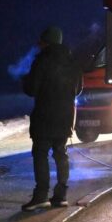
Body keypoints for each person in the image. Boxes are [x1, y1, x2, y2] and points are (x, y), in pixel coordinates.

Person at [21, 25, 83, 211]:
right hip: (66, 116)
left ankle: (41, 196)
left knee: (40, 153)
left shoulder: (42, 60)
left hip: (44, 115)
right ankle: (61, 196)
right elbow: (78, 90)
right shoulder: (73, 62)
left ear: (46, 42)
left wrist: (25, 80)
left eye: (41, 42)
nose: (39, 45)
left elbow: (32, 89)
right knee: (60, 153)